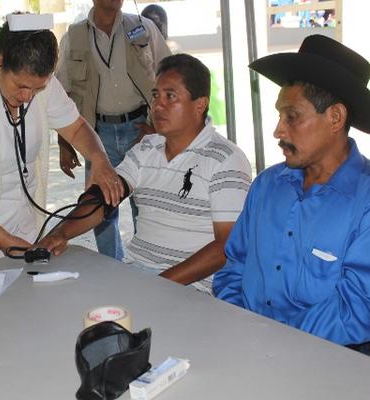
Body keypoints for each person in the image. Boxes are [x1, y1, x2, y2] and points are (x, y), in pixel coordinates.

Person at [37, 54, 251, 293]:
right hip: (138, 276)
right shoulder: (147, 148)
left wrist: (157, 284)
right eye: (155, 95)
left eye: (171, 96)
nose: (158, 105)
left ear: (200, 104)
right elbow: (105, 199)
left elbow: (226, 245)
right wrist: (62, 233)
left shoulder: (226, 159)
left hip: (193, 289)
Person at [0, 14, 121, 266]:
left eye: (37, 89)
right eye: (20, 86)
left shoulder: (43, 84)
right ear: (0, 61)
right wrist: (5, 241)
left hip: (24, 228)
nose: (28, 96)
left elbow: (76, 128)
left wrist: (99, 159)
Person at [213, 35, 370, 349]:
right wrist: (239, 323)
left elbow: (356, 308)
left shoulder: (364, 202)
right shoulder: (267, 185)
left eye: (292, 117)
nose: (278, 130)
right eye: (279, 115)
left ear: (336, 117)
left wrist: (273, 341)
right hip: (247, 343)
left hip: (327, 360)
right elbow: (234, 265)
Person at [56, 0, 171, 260]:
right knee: (100, 204)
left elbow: (169, 72)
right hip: (97, 134)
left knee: (145, 201)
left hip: (140, 129)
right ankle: (112, 266)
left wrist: (154, 126)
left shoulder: (143, 27)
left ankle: (148, 264)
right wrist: (65, 143)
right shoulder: (74, 36)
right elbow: (62, 93)